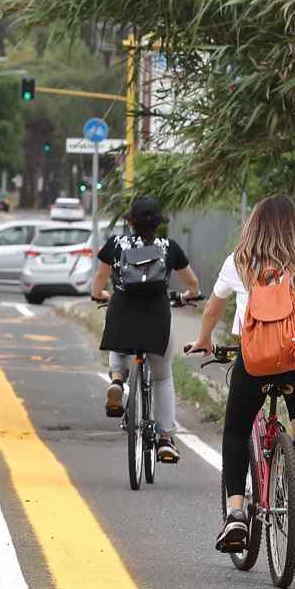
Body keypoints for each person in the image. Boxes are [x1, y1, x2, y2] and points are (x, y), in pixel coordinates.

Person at [186, 194, 295, 553]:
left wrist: (203, 340)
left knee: (235, 431)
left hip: (255, 362)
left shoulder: (240, 263)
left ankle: (235, 514)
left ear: (254, 225)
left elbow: (213, 308)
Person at [91, 196, 200, 464]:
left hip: (123, 313)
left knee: (116, 335)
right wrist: (187, 295)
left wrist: (104, 295)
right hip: (156, 318)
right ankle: (165, 438)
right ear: (158, 222)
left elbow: (97, 287)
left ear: (130, 221)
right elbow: (193, 285)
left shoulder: (115, 245)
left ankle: (117, 380)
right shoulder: (169, 247)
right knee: (162, 378)